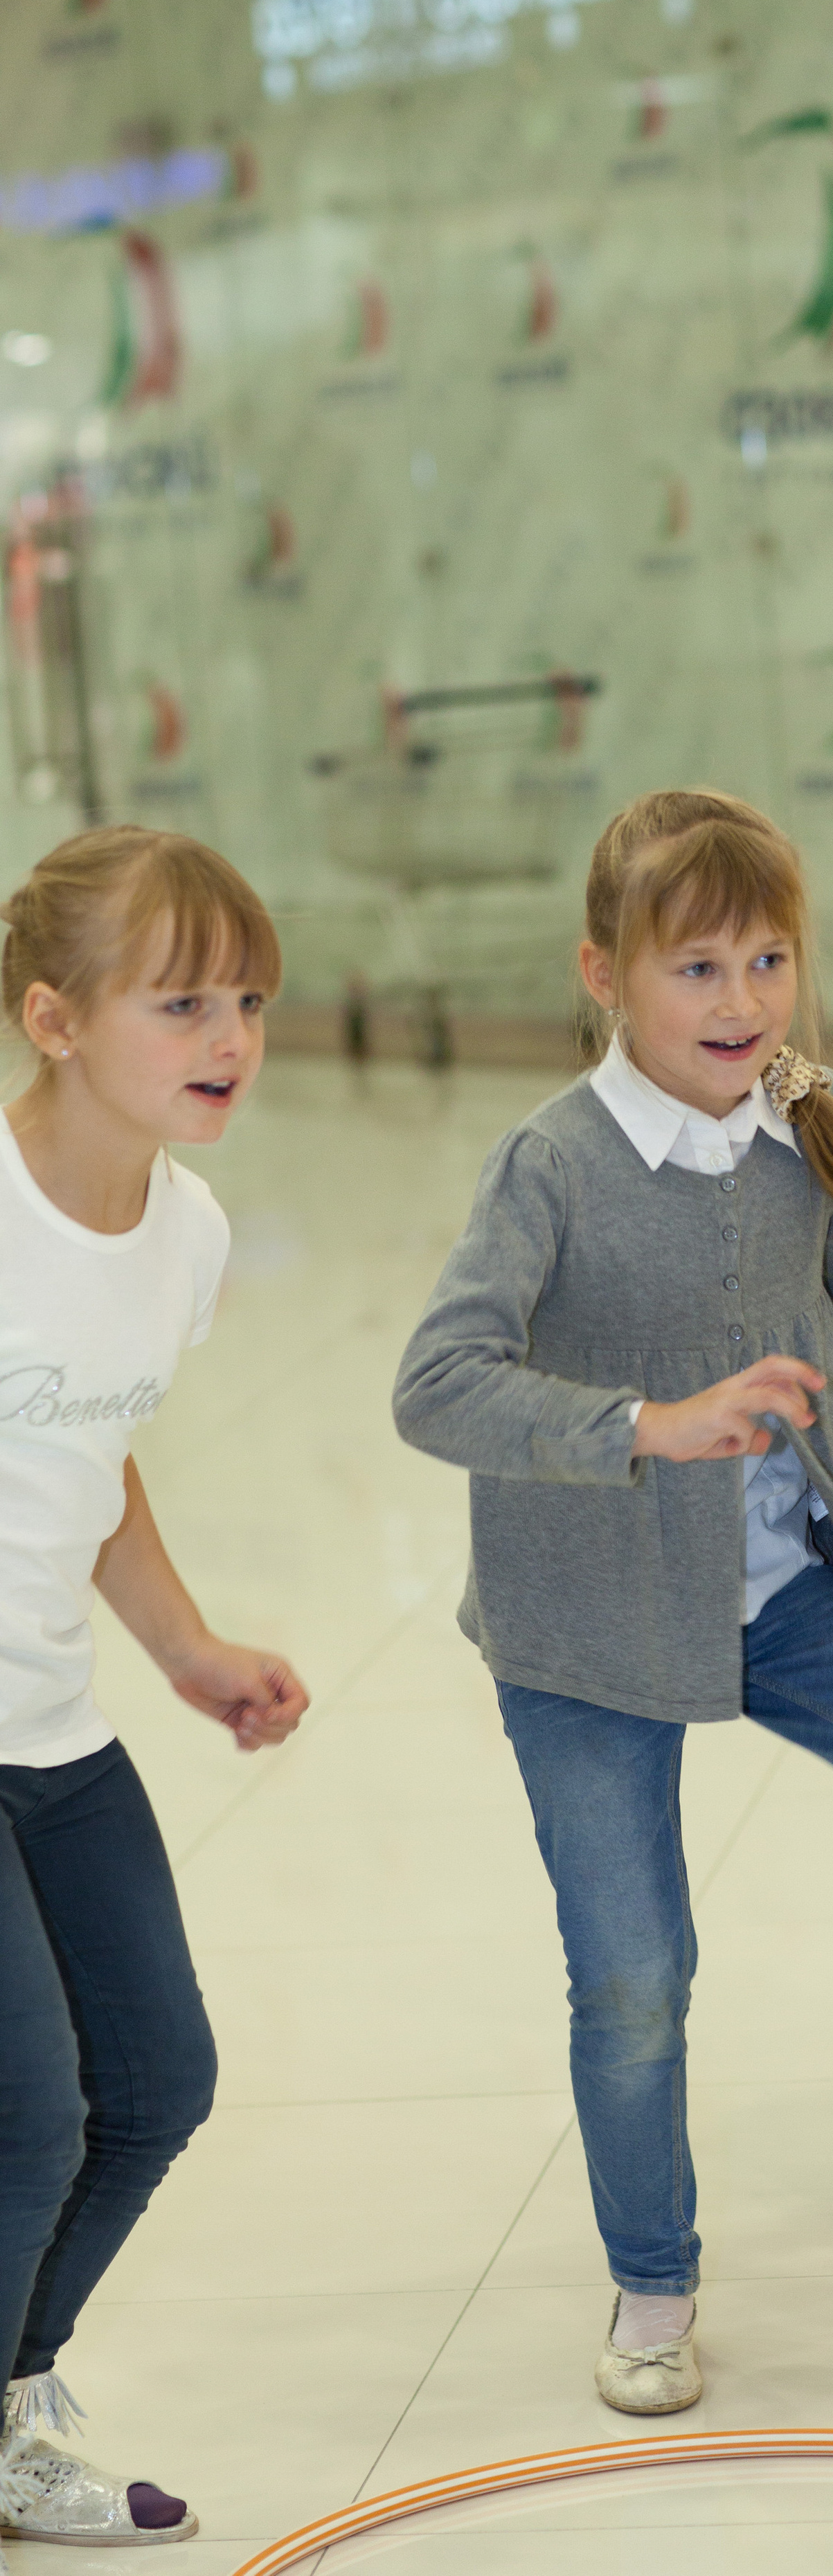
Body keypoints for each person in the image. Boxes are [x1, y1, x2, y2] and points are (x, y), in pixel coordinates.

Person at [392, 786, 833, 2415]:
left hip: (791, 1587)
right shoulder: (550, 1165)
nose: (742, 1002)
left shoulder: (806, 1116)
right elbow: (435, 1385)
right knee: (634, 1979)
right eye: (697, 968)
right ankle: (652, 2284)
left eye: (768, 960)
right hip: (585, 1623)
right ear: (604, 976)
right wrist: (644, 1428)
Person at [0, 829, 309, 2557]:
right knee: (26, 2112)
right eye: (180, 1002)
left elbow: (91, 1455)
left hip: (50, 1720)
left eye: (246, 1000)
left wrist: (188, 1652)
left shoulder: (183, 1233)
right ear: (53, 1018)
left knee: (155, 2083)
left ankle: (12, 2393)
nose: (230, 1038)